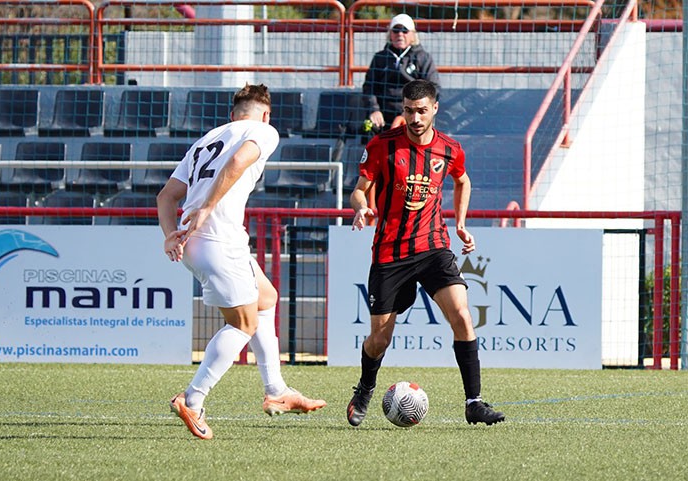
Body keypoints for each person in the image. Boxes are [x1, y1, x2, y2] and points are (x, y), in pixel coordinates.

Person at [157, 84, 326, 440]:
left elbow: (166, 195)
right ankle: (193, 398)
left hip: (197, 241)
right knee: (243, 324)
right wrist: (207, 207)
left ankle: (277, 391)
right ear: (265, 114)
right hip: (218, 238)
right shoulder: (264, 130)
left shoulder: (206, 139)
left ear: (232, 115)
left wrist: (170, 233)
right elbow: (238, 161)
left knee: (265, 298)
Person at [347, 79, 505, 427]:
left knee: (462, 316)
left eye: (421, 110)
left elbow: (462, 180)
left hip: (434, 247)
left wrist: (461, 223)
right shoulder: (382, 146)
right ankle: (365, 387)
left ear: (435, 108)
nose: (415, 117)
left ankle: (473, 402)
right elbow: (359, 191)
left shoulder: (450, 149)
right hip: (390, 253)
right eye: (408, 110)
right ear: (402, 109)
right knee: (379, 339)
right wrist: (361, 208)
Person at [363, 14, 440, 132]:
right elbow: (369, 86)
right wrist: (374, 110)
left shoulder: (423, 58)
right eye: (396, 30)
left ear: (413, 35)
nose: (400, 34)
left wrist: (411, 112)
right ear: (390, 34)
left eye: (405, 30)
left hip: (413, 114)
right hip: (384, 115)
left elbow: (433, 88)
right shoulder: (380, 58)